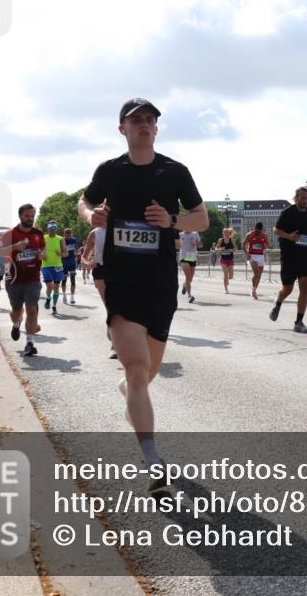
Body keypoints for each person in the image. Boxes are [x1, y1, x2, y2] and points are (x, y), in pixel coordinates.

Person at [79, 98, 207, 487]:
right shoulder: (109, 170)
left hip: (160, 284)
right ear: (123, 129)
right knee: (136, 370)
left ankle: (132, 396)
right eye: (136, 121)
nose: (145, 125)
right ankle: (152, 459)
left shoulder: (174, 171)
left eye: (150, 120)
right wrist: (90, 215)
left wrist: (172, 220)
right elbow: (85, 201)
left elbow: (201, 219)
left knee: (148, 371)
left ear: (156, 128)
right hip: (121, 282)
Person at [0, 204, 45, 357]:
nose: (30, 218)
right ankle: (16, 323)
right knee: (16, 312)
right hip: (14, 280)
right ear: (20, 216)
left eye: (32, 216)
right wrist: (15, 247)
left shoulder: (38, 233)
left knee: (32, 309)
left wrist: (42, 254)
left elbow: (43, 247)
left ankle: (30, 343)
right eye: (27, 216)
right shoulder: (10, 234)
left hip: (33, 279)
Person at [270, 187, 307, 333]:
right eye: (302, 198)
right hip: (289, 255)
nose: (305, 201)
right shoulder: (287, 213)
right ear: (295, 198)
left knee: (305, 285)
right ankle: (278, 302)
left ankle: (299, 322)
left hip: (304, 254)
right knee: (287, 289)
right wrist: (289, 236)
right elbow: (275, 230)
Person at [82, 224, 115, 359]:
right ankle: (114, 345)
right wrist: (88, 263)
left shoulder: (121, 227)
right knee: (111, 307)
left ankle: (116, 339)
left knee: (119, 307)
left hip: (118, 270)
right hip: (100, 270)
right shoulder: (95, 233)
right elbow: (84, 257)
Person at [41, 221, 68, 315]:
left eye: (54, 229)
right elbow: (39, 250)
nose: (52, 230)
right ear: (48, 229)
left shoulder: (60, 239)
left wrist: (61, 254)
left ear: (56, 229)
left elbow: (66, 253)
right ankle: (48, 298)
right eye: (51, 229)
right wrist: (42, 255)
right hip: (46, 266)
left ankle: (54, 306)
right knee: (49, 286)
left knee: (56, 288)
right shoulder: (43, 238)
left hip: (58, 266)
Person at [243, 221, 268, 300]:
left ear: (261, 230)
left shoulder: (264, 235)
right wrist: (247, 254)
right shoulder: (249, 235)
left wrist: (266, 245)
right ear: (254, 229)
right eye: (256, 231)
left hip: (261, 256)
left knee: (259, 275)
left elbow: (268, 244)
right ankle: (254, 290)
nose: (258, 233)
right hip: (252, 255)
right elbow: (243, 245)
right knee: (257, 273)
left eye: (259, 232)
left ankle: (254, 290)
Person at [178, 226, 201, 302]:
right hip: (183, 257)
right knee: (188, 276)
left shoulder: (195, 234)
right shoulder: (180, 235)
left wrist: (196, 243)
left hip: (192, 257)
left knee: (190, 279)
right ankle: (189, 296)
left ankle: (185, 285)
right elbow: (177, 246)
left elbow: (201, 245)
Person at [60, 227, 79, 305]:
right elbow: (59, 251)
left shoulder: (74, 240)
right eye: (67, 235)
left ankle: (72, 297)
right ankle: (64, 295)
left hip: (72, 263)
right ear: (64, 234)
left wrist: (76, 254)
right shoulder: (61, 240)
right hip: (64, 263)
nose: (68, 236)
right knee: (64, 280)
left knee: (73, 280)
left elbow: (76, 249)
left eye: (70, 235)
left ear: (72, 234)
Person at [215, 228, 236, 294]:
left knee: (231, 276)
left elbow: (236, 248)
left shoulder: (231, 240)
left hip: (230, 259)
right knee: (226, 273)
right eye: (224, 232)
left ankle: (226, 279)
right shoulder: (220, 240)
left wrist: (232, 250)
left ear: (229, 233)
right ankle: (226, 289)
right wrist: (221, 248)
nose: (226, 234)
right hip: (223, 259)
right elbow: (216, 249)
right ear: (222, 233)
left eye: (227, 232)